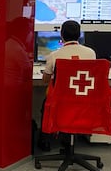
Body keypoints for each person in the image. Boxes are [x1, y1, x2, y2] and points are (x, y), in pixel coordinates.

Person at [38, 20, 96, 151]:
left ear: (61, 35)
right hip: (83, 100)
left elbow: (45, 81)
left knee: (45, 105)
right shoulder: (91, 53)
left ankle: (45, 140)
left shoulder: (54, 55)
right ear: (79, 34)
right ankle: (67, 139)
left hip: (60, 101)